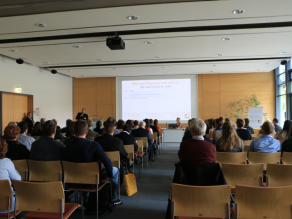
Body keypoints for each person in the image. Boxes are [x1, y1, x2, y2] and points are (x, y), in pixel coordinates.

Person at [64, 120, 121, 207]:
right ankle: (113, 199)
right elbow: (108, 163)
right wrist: (108, 176)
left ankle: (83, 200)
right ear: (86, 132)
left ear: (74, 131)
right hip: (92, 180)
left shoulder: (65, 144)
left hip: (71, 180)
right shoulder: (94, 145)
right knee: (115, 170)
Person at [0, 137, 27, 218]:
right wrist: (13, 167)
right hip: (7, 206)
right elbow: (18, 180)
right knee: (25, 206)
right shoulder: (6, 162)